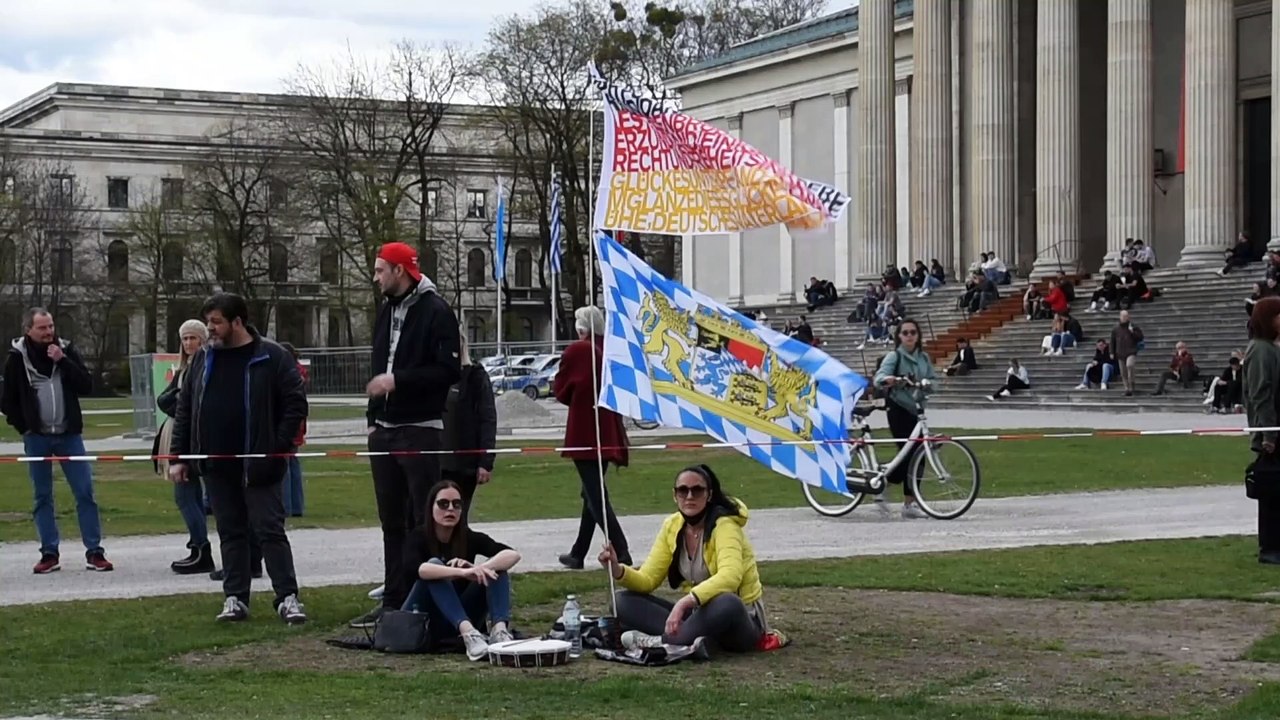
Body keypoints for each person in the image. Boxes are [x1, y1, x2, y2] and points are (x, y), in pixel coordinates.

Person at [168, 293, 308, 624]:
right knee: (230, 532)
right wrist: (179, 456)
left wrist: (277, 447)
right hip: (216, 464)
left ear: (237, 322)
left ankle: (287, 597)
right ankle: (235, 598)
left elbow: (295, 404)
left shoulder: (271, 357)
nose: (209, 329)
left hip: (259, 462)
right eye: (208, 322)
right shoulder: (203, 358)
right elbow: (185, 408)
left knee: (269, 530)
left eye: (216, 322)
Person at [354, 241, 461, 629]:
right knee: (390, 521)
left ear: (400, 270)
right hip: (383, 431)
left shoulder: (436, 312)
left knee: (424, 518)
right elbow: (377, 365)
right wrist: (372, 417)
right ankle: (393, 599)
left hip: (419, 429)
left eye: (381, 269)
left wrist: (398, 381)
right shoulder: (385, 310)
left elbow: (448, 371)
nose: (376, 276)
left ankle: (427, 598)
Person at [601, 464, 766, 655]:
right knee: (621, 600)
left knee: (727, 602)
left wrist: (684, 602)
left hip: (741, 620)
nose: (689, 496)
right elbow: (647, 580)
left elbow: (731, 577)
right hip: (698, 614)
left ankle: (662, 642)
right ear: (675, 495)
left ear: (709, 495)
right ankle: (693, 642)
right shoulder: (671, 525)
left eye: (697, 490)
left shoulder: (725, 525)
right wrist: (617, 569)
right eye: (683, 490)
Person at [1, 307, 111, 574]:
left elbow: (86, 385)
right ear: (28, 330)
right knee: (42, 496)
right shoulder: (17, 359)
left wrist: (62, 360)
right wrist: (25, 426)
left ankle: (95, 552)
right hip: (37, 438)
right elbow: (7, 400)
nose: (49, 332)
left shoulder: (65, 350)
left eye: (51, 326)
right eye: (42, 328)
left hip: (69, 436)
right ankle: (49, 553)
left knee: (85, 492)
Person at [401, 480, 522, 661]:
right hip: (419, 620)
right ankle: (469, 634)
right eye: (443, 504)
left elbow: (512, 554)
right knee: (435, 566)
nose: (450, 509)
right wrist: (461, 573)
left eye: (456, 505)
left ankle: (500, 632)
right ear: (431, 507)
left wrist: (479, 568)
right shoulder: (417, 537)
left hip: (455, 620)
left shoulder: (468, 537)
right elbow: (420, 570)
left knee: (496, 570)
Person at [555, 306, 632, 570]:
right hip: (608, 430)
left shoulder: (579, 351)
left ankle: (621, 549)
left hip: (586, 430)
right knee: (591, 492)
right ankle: (578, 552)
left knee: (595, 495)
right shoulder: (611, 349)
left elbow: (561, 390)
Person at [155, 319, 217, 574]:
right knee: (187, 496)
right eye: (185, 339)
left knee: (186, 496)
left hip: (192, 439)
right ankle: (196, 546)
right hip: (178, 434)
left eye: (194, 338)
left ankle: (202, 548)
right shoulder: (183, 369)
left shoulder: (202, 367)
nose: (189, 343)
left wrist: (176, 402)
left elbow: (186, 404)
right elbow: (166, 399)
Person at [870, 319, 934, 519]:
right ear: (899, 336)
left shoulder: (923, 357)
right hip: (898, 408)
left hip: (917, 409)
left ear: (918, 335)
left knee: (918, 456)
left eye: (913, 332)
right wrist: (888, 379)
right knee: (907, 454)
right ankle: (882, 484)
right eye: (905, 332)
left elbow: (934, 380)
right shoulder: (894, 356)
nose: (909, 336)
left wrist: (928, 384)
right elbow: (879, 377)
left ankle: (908, 503)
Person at [440, 330, 497, 523]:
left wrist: (485, 461)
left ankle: (460, 553)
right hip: (434, 462)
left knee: (457, 518)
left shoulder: (475, 377)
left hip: (464, 464)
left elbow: (488, 419)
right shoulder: (433, 377)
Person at [1244, 297, 1280, 564]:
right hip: (1273, 431)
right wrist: (1269, 434)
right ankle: (1269, 547)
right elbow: (1261, 394)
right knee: (1271, 491)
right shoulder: (1260, 350)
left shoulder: (1271, 348)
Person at [278, 342, 308, 518]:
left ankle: (287, 506)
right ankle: (296, 506)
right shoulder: (298, 374)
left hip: (290, 425)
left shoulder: (289, 375)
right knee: (293, 464)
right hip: (298, 425)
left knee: (285, 465)